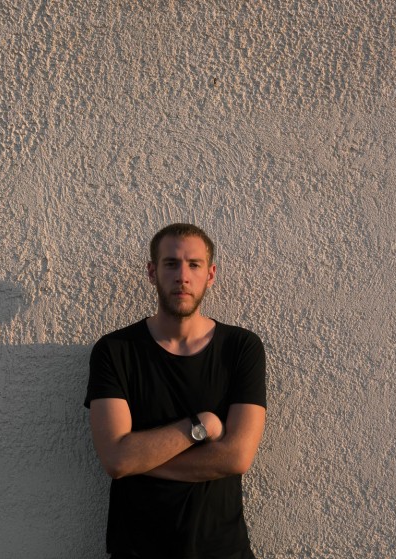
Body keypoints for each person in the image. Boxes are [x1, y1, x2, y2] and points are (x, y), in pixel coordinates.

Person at [85, 223, 267, 559]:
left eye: (194, 265)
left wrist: (138, 460)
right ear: (152, 272)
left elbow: (237, 457)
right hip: (137, 551)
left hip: (222, 550)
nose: (182, 276)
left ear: (210, 275)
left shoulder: (241, 348)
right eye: (171, 264)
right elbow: (115, 460)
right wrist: (201, 425)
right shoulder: (115, 351)